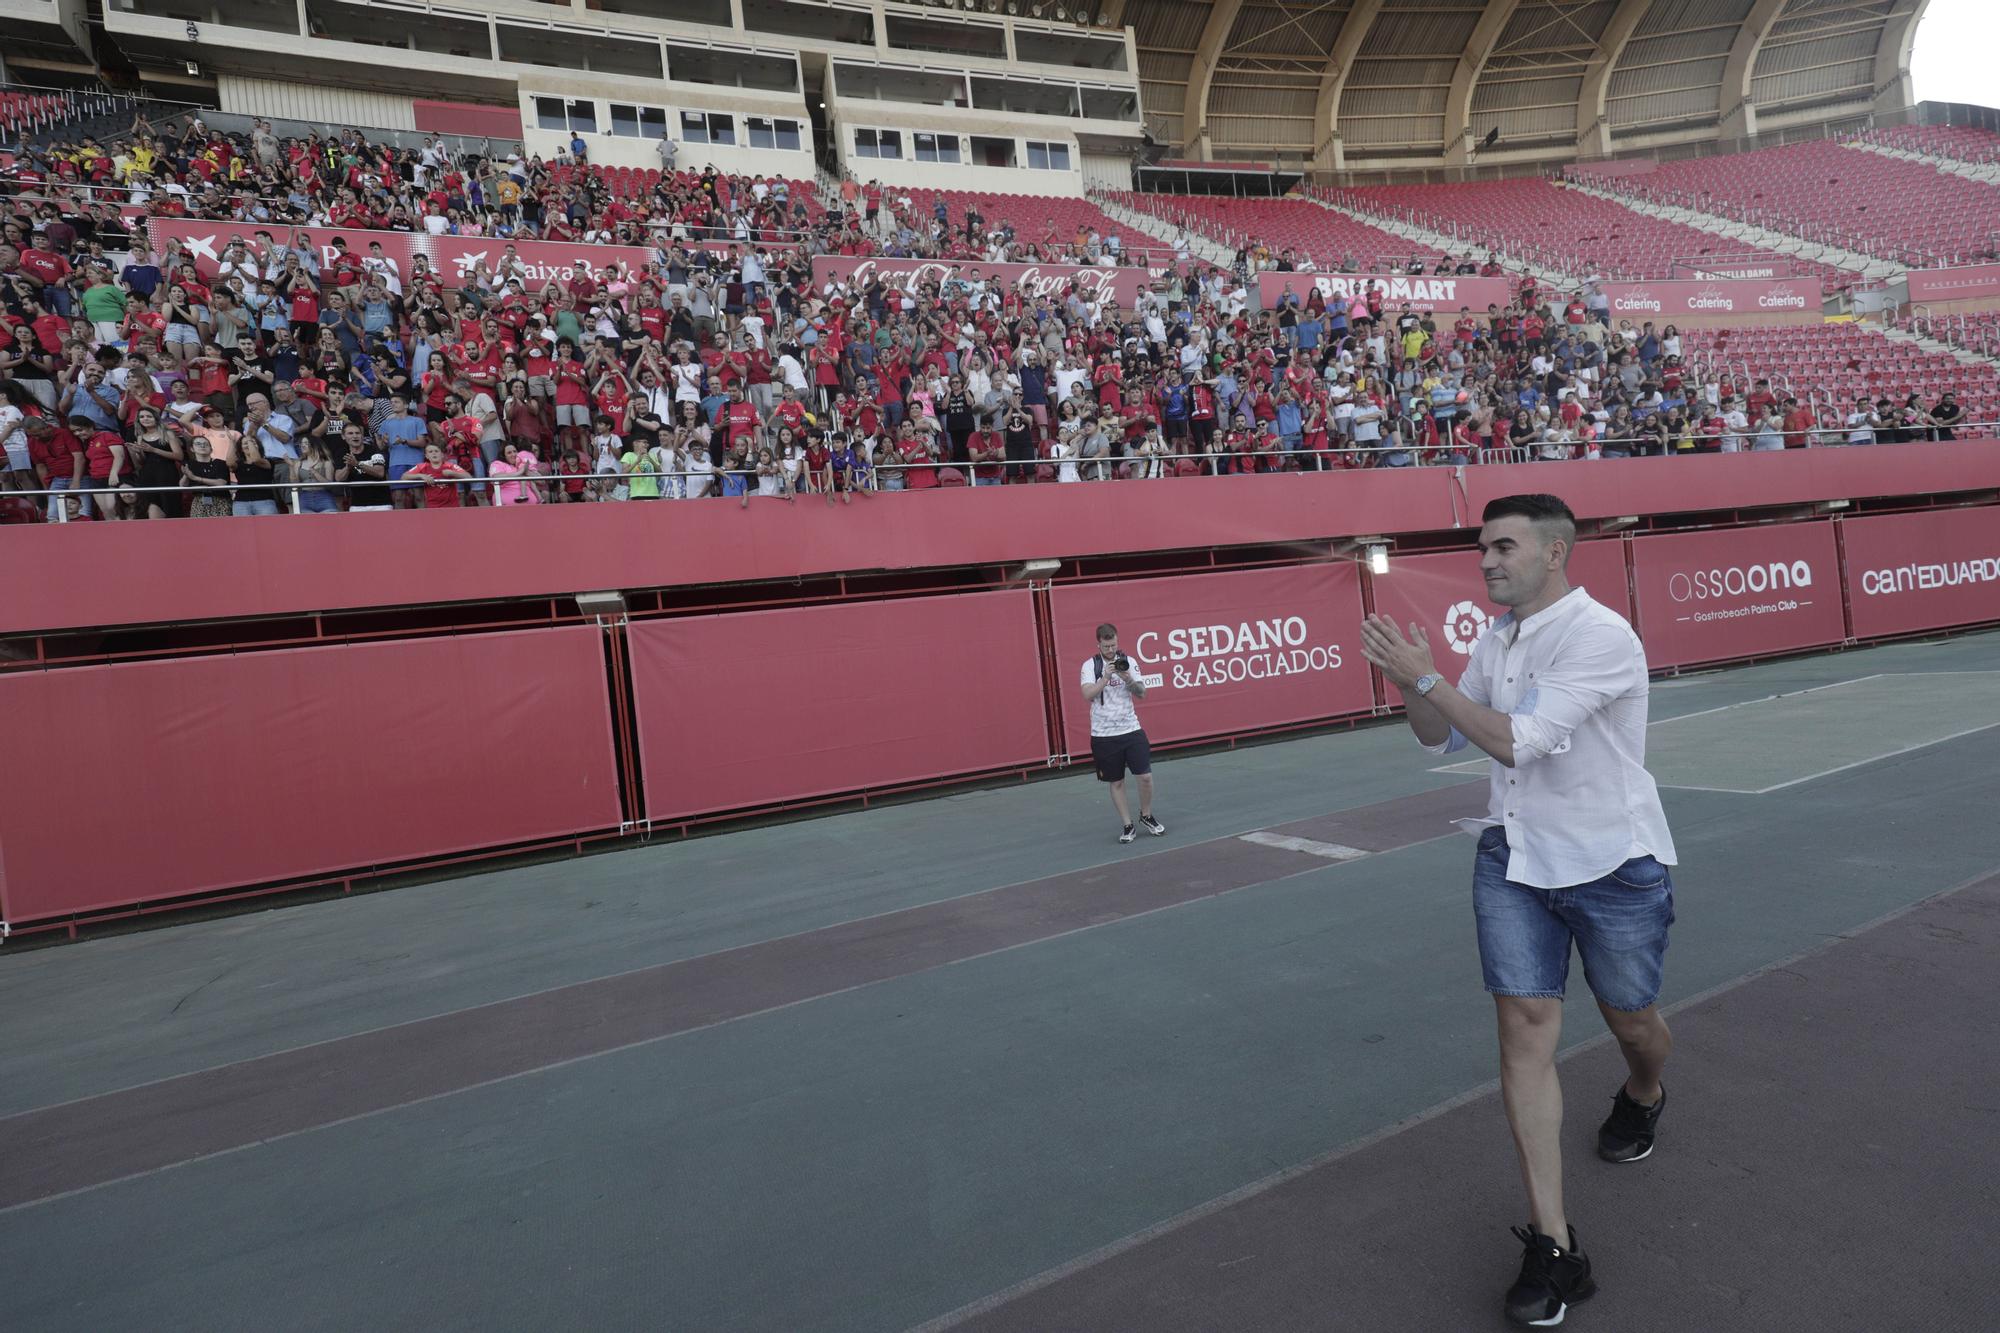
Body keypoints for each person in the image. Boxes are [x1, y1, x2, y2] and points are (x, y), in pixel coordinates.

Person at [1358, 493, 1677, 1329]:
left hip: (1613, 861)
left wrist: (1425, 675)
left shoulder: (1602, 635)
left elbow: (1516, 740)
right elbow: (1444, 738)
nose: (1489, 560)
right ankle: (1555, 1243)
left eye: (1504, 546)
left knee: (1632, 1019)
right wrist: (1412, 684)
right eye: (1483, 548)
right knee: (1526, 1025)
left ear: (1555, 552)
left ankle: (1644, 1089)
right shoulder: (1493, 639)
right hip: (1513, 856)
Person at [1079, 622, 1166, 845]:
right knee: (1116, 782)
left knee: (1145, 776)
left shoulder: (1129, 661)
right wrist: (1105, 677)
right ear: (1098, 644)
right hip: (1103, 734)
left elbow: (1142, 693)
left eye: (1114, 645)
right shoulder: (1091, 666)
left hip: (1131, 729)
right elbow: (1087, 694)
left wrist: (1128, 678)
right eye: (1107, 646)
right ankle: (1128, 825)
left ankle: (1146, 815)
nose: (1111, 650)